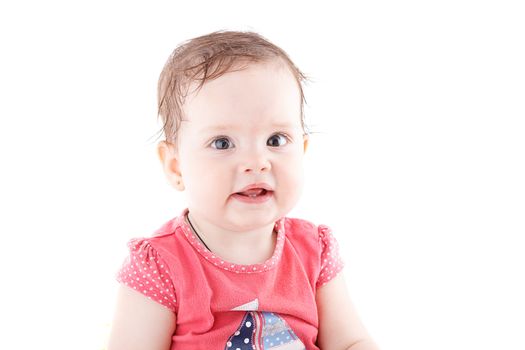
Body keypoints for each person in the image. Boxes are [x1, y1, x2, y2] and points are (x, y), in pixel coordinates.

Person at [108, 30, 379, 350]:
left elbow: (350, 342)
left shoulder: (313, 252)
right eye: (222, 143)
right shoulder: (160, 265)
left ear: (302, 150)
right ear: (175, 166)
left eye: (276, 140)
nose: (256, 162)